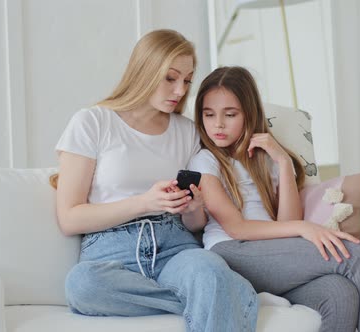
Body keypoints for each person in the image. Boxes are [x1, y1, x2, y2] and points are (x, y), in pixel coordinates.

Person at [51, 31, 258, 332]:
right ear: (145, 71)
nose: (180, 90)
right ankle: (228, 297)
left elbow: (196, 224)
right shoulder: (93, 122)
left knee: (209, 271)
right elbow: (69, 218)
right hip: (111, 252)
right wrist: (144, 202)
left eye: (187, 80)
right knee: (82, 285)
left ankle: (214, 293)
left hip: (174, 246)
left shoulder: (187, 131)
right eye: (170, 78)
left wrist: (192, 209)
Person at [188, 66, 360, 332]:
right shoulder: (205, 161)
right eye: (209, 114)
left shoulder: (264, 160)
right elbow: (236, 228)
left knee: (340, 294)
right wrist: (303, 228)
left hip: (271, 257)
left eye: (230, 114)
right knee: (358, 255)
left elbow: (287, 220)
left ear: (249, 114)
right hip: (231, 252)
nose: (218, 124)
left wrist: (283, 161)